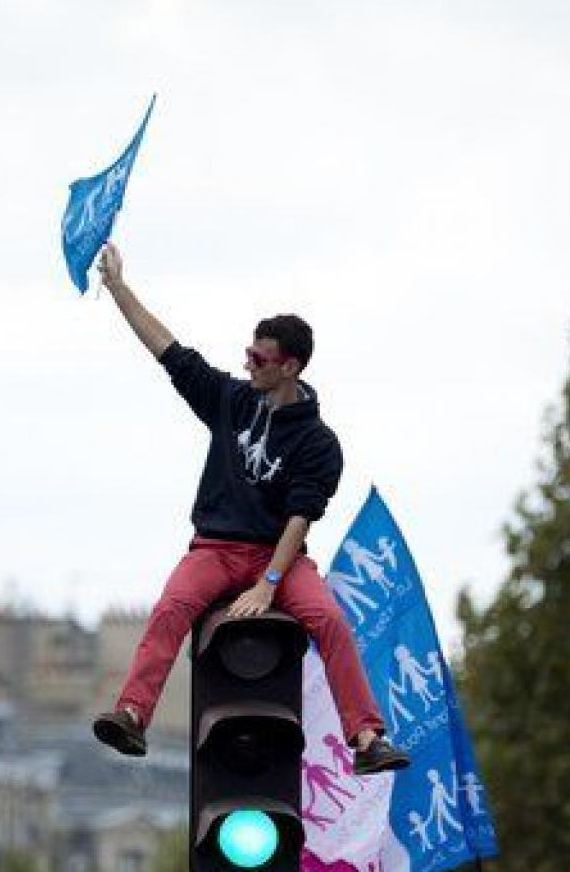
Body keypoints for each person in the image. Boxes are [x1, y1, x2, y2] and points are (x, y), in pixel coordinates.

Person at [92, 241, 409, 775]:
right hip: (215, 548)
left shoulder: (318, 443)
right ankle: (132, 715)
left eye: (259, 360)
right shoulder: (231, 400)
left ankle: (366, 737)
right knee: (171, 609)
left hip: (277, 554)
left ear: (290, 367)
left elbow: (298, 518)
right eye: (248, 354)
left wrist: (268, 583)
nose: (248, 364)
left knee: (329, 620)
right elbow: (167, 349)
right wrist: (119, 288)